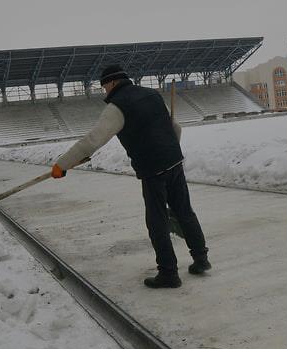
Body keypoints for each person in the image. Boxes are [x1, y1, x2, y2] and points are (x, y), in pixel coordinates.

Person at [51, 65, 209, 288]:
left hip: (153, 169)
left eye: (104, 86)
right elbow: (176, 128)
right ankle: (201, 258)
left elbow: (93, 140)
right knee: (185, 212)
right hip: (174, 161)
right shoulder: (152, 94)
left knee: (157, 221)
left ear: (112, 82)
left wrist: (62, 165)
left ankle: (168, 273)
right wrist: (169, 152)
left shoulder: (118, 106)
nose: (104, 91)